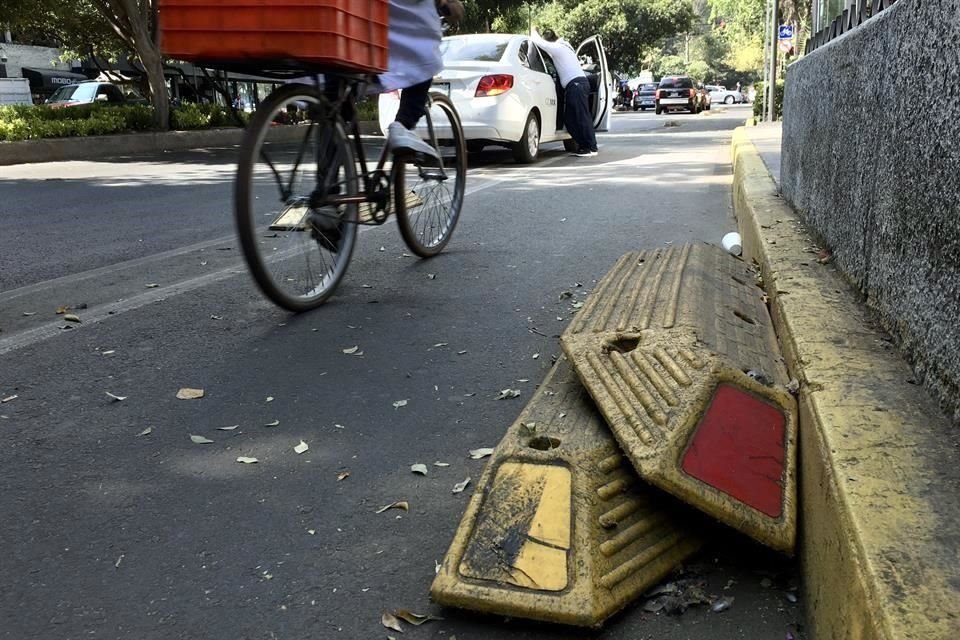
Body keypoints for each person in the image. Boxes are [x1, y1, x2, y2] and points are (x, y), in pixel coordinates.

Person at [530, 28, 597, 157]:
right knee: (571, 119)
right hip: (576, 85)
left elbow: (540, 43)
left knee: (581, 117)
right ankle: (584, 145)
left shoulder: (559, 48)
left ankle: (590, 147)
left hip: (576, 84)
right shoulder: (567, 47)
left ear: (550, 41)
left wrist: (534, 31)